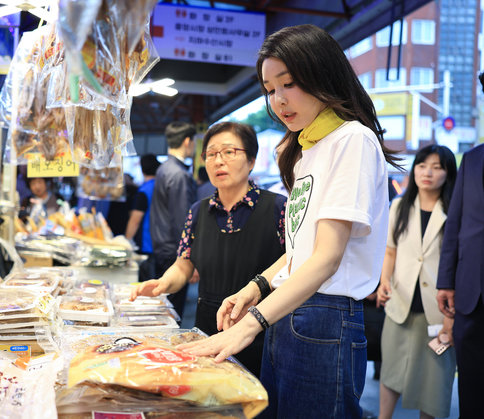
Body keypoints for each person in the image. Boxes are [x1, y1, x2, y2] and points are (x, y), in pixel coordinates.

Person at [177, 24, 400, 417]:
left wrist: (251, 325)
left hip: (325, 318)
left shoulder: (352, 140)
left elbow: (327, 258)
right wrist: (255, 288)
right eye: (269, 89)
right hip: (287, 310)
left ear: (322, 73)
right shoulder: (306, 149)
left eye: (289, 83)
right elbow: (301, 249)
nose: (279, 100)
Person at [132, 122, 286, 376]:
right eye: (211, 154)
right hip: (207, 328)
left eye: (229, 152)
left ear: (251, 160)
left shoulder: (278, 207)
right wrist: (162, 283)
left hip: (261, 330)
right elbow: (184, 263)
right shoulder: (197, 211)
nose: (218, 161)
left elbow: (293, 265)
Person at [376, 145, 457, 419]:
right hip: (400, 302)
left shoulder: (455, 211)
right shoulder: (400, 205)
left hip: (439, 309)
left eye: (437, 167)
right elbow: (390, 250)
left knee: (434, 379)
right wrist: (384, 281)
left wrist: (453, 315)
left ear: (448, 173)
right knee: (391, 370)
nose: (428, 173)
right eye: (423, 165)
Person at [436, 136, 484, 417]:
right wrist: (446, 281)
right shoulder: (472, 159)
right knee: (471, 384)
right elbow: (455, 223)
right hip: (471, 290)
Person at [150, 121, 197, 320]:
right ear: (188, 142)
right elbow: (183, 221)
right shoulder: (179, 174)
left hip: (162, 245)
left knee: (165, 308)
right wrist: (189, 258)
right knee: (172, 314)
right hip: (174, 251)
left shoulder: (164, 168)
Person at [125, 154, 161, 281]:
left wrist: (127, 242)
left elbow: (135, 220)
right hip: (163, 243)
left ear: (142, 169)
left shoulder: (144, 191)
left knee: (146, 284)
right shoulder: (163, 186)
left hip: (146, 244)